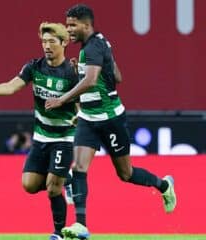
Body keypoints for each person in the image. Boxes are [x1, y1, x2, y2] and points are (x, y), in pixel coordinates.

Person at [45, 4, 177, 239]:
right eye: (67, 25)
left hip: (111, 119)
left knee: (126, 174)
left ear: (86, 25)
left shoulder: (94, 46)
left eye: (73, 25)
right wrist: (84, 70)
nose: (69, 30)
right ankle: (81, 225)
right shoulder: (98, 45)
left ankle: (164, 186)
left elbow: (92, 81)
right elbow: (117, 76)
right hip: (88, 119)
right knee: (80, 168)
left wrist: (62, 99)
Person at [0, 22, 79, 240]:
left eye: (52, 41)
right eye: (44, 41)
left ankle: (59, 233)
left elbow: (82, 102)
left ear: (64, 42)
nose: (47, 46)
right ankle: (64, 179)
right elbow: (12, 86)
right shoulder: (34, 67)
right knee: (29, 185)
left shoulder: (72, 72)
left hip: (64, 137)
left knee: (52, 189)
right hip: (41, 137)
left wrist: (80, 116)